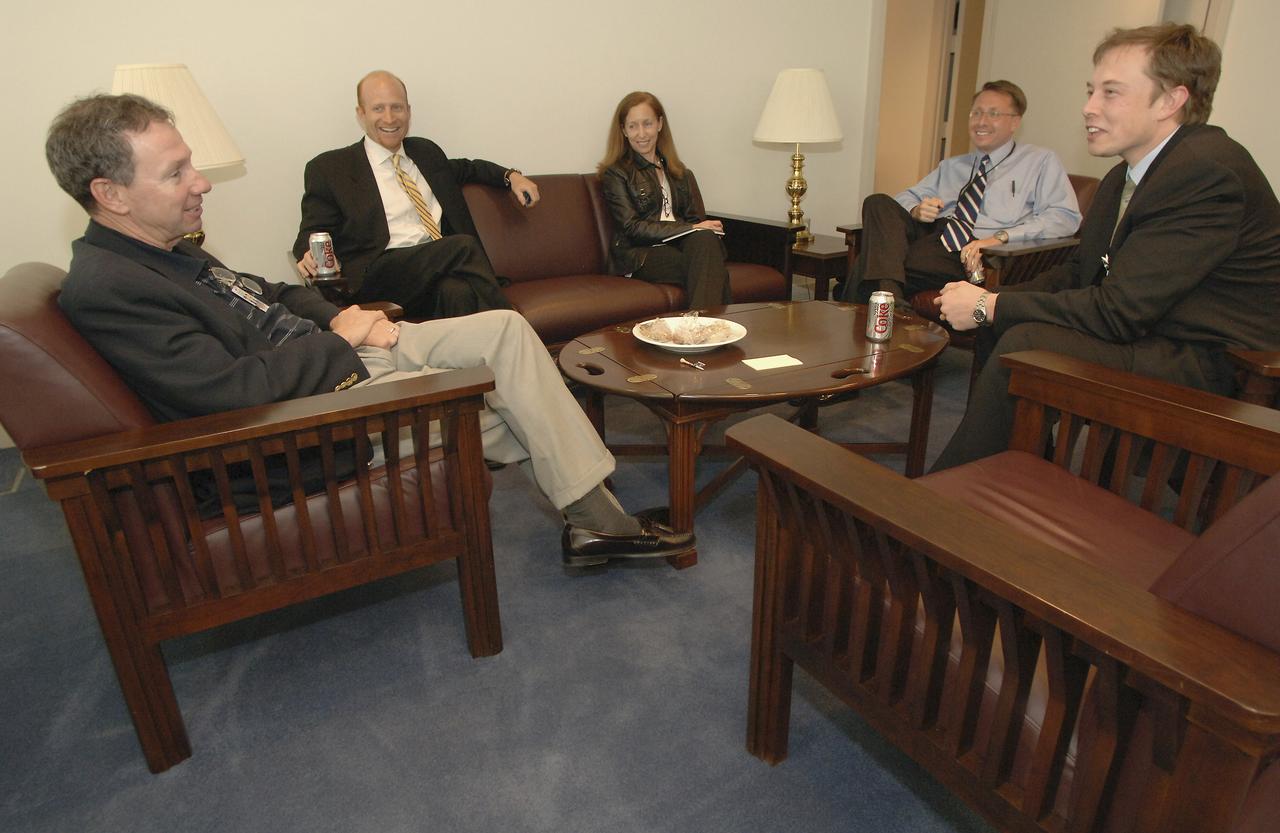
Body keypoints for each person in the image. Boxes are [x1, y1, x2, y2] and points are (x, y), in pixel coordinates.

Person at [47, 93, 691, 568]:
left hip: (331, 357)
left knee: (505, 330)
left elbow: (272, 293)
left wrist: (339, 318)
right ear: (112, 194)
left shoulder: (168, 250)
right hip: (310, 416)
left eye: (190, 165)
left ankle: (585, 503)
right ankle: (597, 516)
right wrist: (342, 341)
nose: (201, 182)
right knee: (517, 399)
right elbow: (226, 393)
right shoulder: (110, 288)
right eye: (176, 172)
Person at [931, 23, 1280, 471]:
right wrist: (990, 299)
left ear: (1172, 100)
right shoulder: (1125, 175)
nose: (1088, 108)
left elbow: (1118, 311)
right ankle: (1017, 467)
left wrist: (990, 306)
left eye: (1110, 93)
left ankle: (948, 498)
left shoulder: (1204, 171)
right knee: (1010, 327)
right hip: (1158, 328)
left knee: (1025, 337)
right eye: (1091, 91)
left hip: (1213, 360)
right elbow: (1080, 271)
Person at [291, 70, 540, 320]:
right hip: (379, 273)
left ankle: (471, 357)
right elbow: (311, 230)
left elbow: (467, 168)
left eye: (396, 108)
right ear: (361, 114)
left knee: (457, 292)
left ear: (408, 111)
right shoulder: (331, 168)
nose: (389, 118)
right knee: (462, 245)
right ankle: (515, 328)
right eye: (378, 109)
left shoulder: (425, 152)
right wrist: (306, 253)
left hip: (435, 270)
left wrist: (511, 177)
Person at [841, 80, 1082, 304]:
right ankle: (891, 300)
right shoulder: (953, 166)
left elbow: (1064, 218)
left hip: (975, 252)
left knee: (868, 262)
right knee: (877, 202)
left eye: (993, 114)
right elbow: (904, 198)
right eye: (976, 113)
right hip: (936, 235)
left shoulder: (1040, 161)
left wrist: (998, 238)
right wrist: (916, 210)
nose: (981, 121)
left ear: (1015, 122)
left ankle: (876, 300)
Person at [598, 91, 732, 310]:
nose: (641, 133)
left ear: (660, 124)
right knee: (709, 267)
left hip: (678, 245)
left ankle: (699, 331)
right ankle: (708, 333)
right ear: (623, 130)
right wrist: (692, 227)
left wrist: (699, 228)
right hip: (640, 254)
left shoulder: (680, 172)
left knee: (707, 242)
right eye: (632, 126)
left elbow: (693, 221)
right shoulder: (617, 173)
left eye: (647, 123)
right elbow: (633, 228)